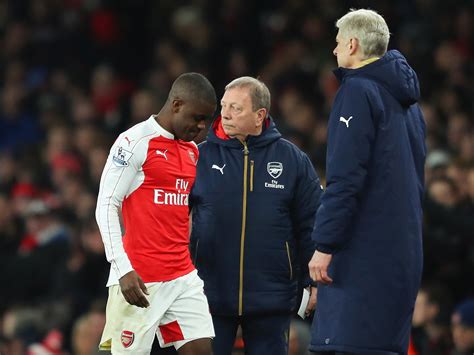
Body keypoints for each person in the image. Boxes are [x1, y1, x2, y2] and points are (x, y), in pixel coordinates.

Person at [308, 9, 426, 355]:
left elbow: (345, 179)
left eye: (338, 42)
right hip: (402, 252)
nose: (334, 51)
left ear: (354, 44)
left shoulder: (357, 91)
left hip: (361, 257)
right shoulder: (410, 105)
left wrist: (324, 244)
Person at [189, 76, 322, 355]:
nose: (225, 113)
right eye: (224, 106)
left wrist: (313, 283)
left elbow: (312, 225)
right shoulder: (198, 158)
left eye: (236, 108)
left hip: (271, 297)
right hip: (209, 294)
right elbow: (172, 221)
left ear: (260, 114)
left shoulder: (293, 161)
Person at [95, 72, 217, 354]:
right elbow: (106, 205)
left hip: (182, 277)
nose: (200, 127)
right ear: (176, 105)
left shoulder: (191, 151)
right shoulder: (134, 142)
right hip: (139, 280)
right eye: (197, 117)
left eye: (205, 121)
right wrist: (123, 269)